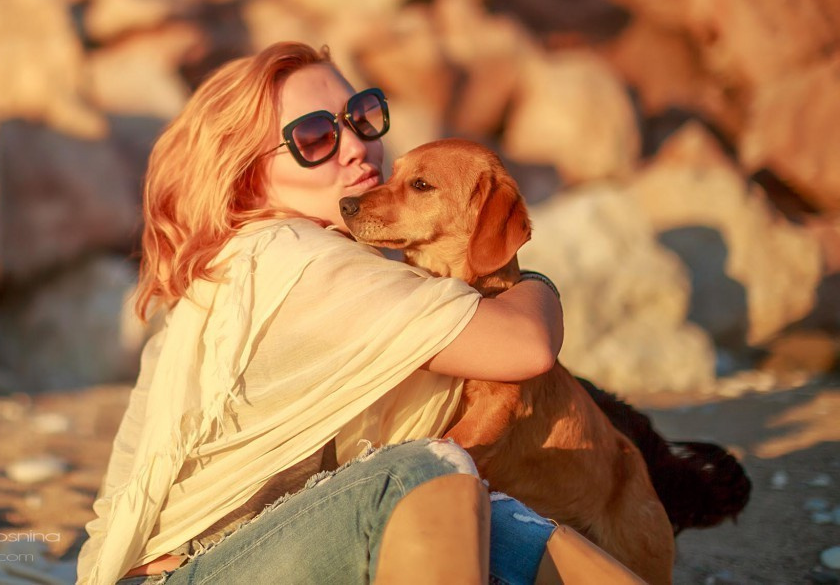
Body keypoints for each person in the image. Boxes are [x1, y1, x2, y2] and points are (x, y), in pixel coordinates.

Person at [77, 42, 568, 585]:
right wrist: (529, 282)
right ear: (246, 174)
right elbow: (527, 344)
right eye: (315, 137)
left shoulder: (244, 264)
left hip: (220, 559)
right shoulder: (292, 260)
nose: (358, 146)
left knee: (512, 530)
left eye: (361, 117)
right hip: (192, 572)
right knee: (420, 475)